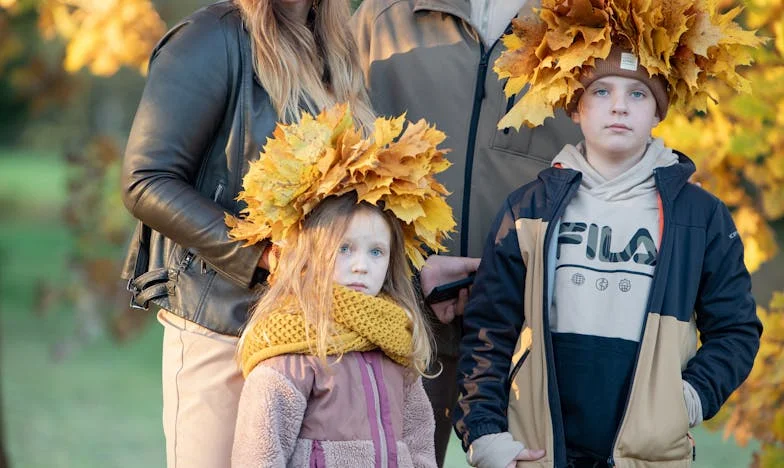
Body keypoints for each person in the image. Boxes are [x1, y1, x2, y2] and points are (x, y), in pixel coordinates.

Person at [453, 2, 764, 467]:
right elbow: (488, 331)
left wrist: (688, 399)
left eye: (638, 95)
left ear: (658, 113)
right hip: (538, 447)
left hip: (648, 452)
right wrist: (485, 434)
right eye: (600, 90)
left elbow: (736, 330)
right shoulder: (529, 209)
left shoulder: (700, 218)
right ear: (575, 109)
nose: (619, 105)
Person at [119, 1, 375, 466]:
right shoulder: (212, 37)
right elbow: (146, 178)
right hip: (223, 329)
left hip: (316, 341)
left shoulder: (336, 46)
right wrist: (261, 254)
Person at [351, 2, 583, 462]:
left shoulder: (590, 22)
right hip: (396, 324)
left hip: (534, 337)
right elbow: (336, 170)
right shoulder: (383, 17)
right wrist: (407, 273)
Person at [226, 103, 454, 466]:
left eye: (376, 252)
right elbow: (259, 453)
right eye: (344, 248)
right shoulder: (293, 347)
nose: (361, 265)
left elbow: (420, 446)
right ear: (311, 255)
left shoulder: (396, 347)